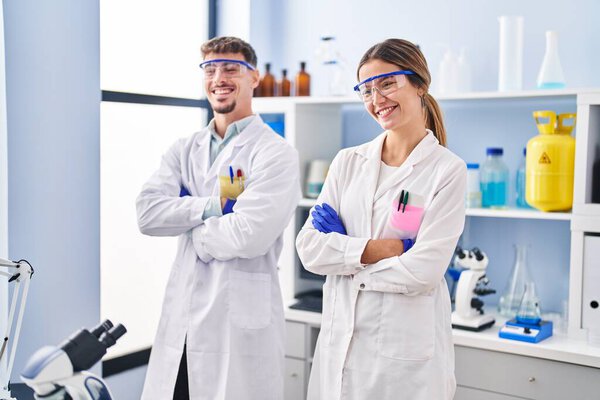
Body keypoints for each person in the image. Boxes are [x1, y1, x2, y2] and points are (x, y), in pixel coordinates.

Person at [295, 38, 466, 400]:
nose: (377, 100)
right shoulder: (347, 162)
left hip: (402, 368)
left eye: (388, 83)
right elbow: (310, 249)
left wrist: (345, 257)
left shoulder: (446, 171)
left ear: (420, 84)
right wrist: (385, 249)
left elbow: (424, 271)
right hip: (338, 350)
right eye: (366, 90)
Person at [136, 36, 300, 400]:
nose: (219, 78)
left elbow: (247, 236)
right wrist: (213, 207)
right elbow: (147, 214)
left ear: (254, 78)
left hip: (237, 327)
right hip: (181, 326)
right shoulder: (184, 149)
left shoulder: (275, 154)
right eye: (210, 69)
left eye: (231, 68)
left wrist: (188, 224)